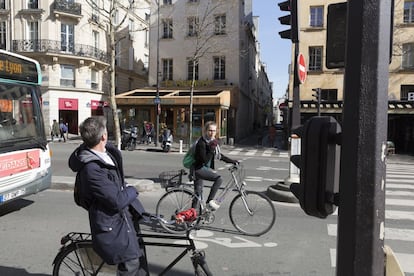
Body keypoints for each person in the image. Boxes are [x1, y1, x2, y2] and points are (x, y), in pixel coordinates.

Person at [68, 116, 148, 276]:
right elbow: (116, 200)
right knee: (130, 264)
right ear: (103, 136)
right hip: (111, 223)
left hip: (124, 216)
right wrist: (133, 190)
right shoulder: (92, 169)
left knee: (140, 260)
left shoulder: (106, 153)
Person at [192, 121, 238, 210]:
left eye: (214, 131)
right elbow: (204, 160)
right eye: (210, 130)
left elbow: (219, 156)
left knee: (197, 195)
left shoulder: (212, 142)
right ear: (205, 131)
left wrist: (233, 161)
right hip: (198, 169)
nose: (212, 133)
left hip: (203, 169)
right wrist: (211, 149)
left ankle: (191, 218)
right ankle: (209, 202)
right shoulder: (202, 143)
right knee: (218, 179)